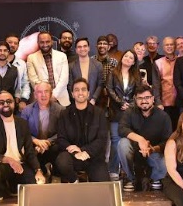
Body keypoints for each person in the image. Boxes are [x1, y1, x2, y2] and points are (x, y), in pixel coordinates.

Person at [0, 91, 46, 200]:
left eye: (9, 101)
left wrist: (38, 170)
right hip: (0, 163)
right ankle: (1, 190)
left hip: (19, 164)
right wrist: (8, 160)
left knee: (35, 184)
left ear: (14, 103)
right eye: (1, 102)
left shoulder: (22, 123)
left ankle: (13, 187)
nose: (5, 104)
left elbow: (29, 151)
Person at [118, 84, 172, 191]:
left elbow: (167, 141)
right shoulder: (129, 112)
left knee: (166, 163)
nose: (144, 101)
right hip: (134, 151)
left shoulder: (163, 116)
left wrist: (152, 149)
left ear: (153, 98)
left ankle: (154, 178)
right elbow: (122, 129)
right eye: (140, 98)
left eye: (147, 97)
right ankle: (130, 178)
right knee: (122, 144)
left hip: (153, 152)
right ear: (135, 99)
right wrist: (140, 140)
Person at [55, 78, 110, 183]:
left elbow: (102, 139)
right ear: (72, 94)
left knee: (103, 185)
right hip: (73, 156)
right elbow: (61, 139)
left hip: (93, 156)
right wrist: (76, 151)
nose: (80, 92)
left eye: (83, 89)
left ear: (88, 93)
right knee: (62, 161)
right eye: (77, 90)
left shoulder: (99, 113)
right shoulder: (64, 114)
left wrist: (85, 150)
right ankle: (75, 180)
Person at [20, 82, 65, 179]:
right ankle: (41, 172)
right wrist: (36, 141)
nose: (43, 95)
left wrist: (48, 142)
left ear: (51, 94)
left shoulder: (60, 110)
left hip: (53, 144)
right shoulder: (27, 110)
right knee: (28, 152)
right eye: (40, 92)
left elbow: (62, 132)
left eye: (46, 91)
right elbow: (22, 132)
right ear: (35, 95)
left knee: (59, 149)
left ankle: (55, 174)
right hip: (33, 145)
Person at [107, 50, 139, 180]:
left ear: (134, 62)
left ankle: (128, 171)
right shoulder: (113, 73)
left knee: (127, 142)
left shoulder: (136, 76)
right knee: (115, 141)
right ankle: (113, 170)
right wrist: (120, 102)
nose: (127, 59)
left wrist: (130, 105)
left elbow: (138, 93)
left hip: (130, 112)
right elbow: (109, 89)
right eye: (126, 56)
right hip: (116, 111)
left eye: (131, 58)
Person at [27, 32, 70, 106]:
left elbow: (64, 79)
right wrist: (46, 95)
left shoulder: (62, 56)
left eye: (47, 42)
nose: (45, 45)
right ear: (38, 43)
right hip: (41, 100)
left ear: (52, 42)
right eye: (42, 42)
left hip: (61, 99)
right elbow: (33, 80)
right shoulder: (31, 58)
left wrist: (54, 95)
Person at [68, 37, 103, 105]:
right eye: (79, 47)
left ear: (89, 48)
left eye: (85, 46)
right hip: (77, 102)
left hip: (93, 103)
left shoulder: (98, 65)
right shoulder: (71, 66)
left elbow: (100, 84)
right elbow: (70, 85)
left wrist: (94, 99)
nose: (82, 49)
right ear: (76, 50)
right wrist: (76, 99)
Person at [156, 36, 180, 126]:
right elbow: (156, 84)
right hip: (165, 102)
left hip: (180, 101)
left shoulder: (181, 60)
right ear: (163, 47)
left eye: (171, 44)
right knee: (167, 128)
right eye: (167, 45)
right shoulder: (158, 63)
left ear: (175, 46)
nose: (169, 47)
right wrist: (158, 102)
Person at [5, 33, 31, 110]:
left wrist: (23, 100)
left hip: (15, 101)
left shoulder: (22, 64)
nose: (12, 45)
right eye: (10, 42)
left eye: (15, 43)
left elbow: (25, 83)